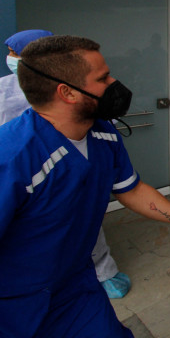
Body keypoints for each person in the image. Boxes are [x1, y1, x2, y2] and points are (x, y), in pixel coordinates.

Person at [0, 35, 170, 338]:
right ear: (67, 92)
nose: (114, 83)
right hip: (15, 305)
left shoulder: (103, 135)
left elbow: (131, 190)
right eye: (103, 78)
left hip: (75, 286)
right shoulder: (12, 157)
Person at [1, 29, 133, 299]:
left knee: (86, 225)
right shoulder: (13, 150)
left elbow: (132, 189)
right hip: (28, 284)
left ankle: (103, 272)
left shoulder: (101, 132)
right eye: (12, 53)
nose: (11, 57)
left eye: (16, 53)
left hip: (75, 172)